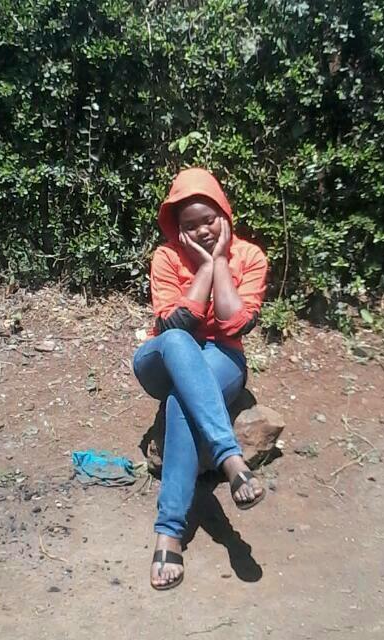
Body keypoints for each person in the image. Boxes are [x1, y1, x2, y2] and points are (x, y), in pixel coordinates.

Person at [132, 168, 268, 590]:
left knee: (181, 403)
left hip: (223, 359)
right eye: (190, 225)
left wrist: (221, 261)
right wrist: (205, 268)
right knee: (176, 340)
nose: (203, 230)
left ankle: (168, 533)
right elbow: (175, 324)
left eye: (209, 219)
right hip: (163, 359)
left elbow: (233, 324)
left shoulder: (250, 257)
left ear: (224, 214)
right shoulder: (166, 257)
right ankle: (231, 458)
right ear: (178, 229)